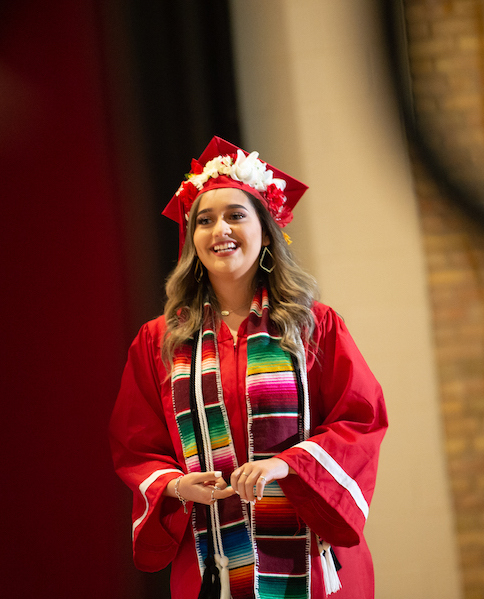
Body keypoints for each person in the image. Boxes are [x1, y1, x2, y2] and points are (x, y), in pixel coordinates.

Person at [109, 137, 388, 599]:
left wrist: (285, 466)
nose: (220, 229)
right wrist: (177, 486)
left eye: (236, 215)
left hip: (313, 567)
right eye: (205, 219)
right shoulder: (159, 341)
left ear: (266, 231)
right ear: (191, 238)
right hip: (212, 563)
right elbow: (136, 447)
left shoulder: (313, 326)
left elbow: (360, 421)